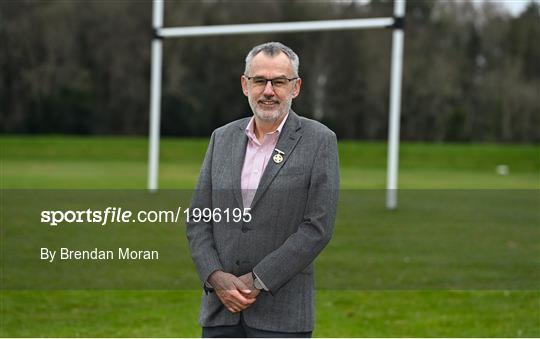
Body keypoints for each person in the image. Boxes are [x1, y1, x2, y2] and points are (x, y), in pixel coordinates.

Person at [186, 41, 339, 338]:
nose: (268, 91)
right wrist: (216, 277)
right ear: (245, 85)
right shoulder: (222, 138)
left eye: (279, 81)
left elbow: (317, 228)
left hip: (282, 317)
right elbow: (198, 218)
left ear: (295, 87)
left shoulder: (320, 141)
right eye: (260, 81)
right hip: (221, 313)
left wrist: (257, 280)